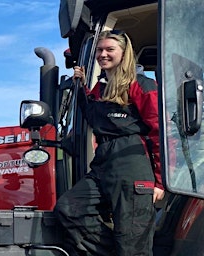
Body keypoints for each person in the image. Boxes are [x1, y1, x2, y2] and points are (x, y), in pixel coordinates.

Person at [54, 30, 165, 256]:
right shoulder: (101, 87)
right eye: (99, 50)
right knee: (69, 208)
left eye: (109, 49)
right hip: (104, 162)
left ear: (124, 53)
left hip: (132, 163)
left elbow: (160, 132)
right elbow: (94, 118)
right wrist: (82, 87)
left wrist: (161, 182)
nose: (103, 54)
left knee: (132, 242)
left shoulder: (142, 85)